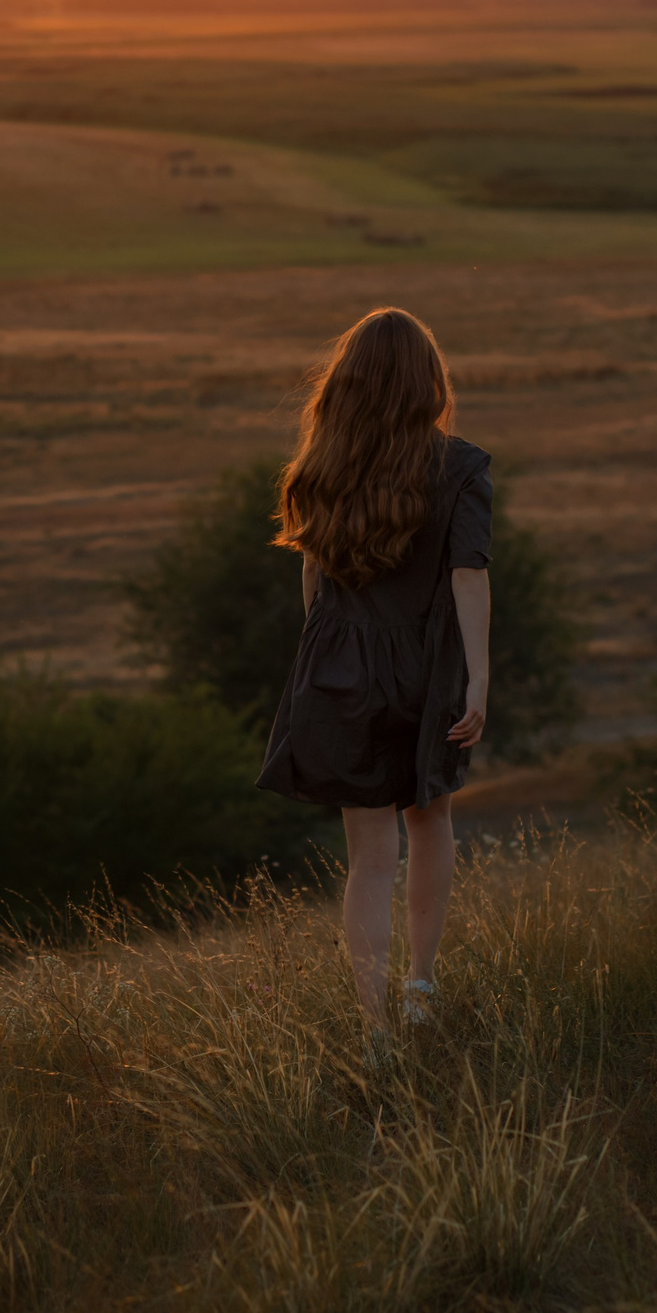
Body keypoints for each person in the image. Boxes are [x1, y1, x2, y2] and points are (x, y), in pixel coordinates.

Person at [255, 308, 491, 1051]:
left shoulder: (321, 465)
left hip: (339, 665)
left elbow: (311, 578)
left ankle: (375, 1027)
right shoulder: (461, 465)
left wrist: (318, 664)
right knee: (430, 822)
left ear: (346, 382)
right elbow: (468, 578)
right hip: (426, 668)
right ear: (429, 381)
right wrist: (478, 679)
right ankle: (420, 985)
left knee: (369, 858)